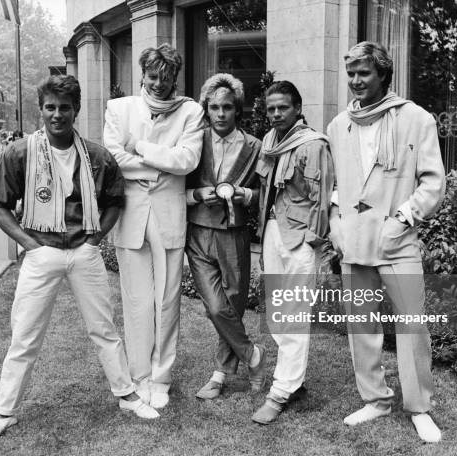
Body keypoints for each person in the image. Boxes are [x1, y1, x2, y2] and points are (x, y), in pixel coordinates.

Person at [0, 75, 159, 442]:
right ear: (41, 109)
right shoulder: (20, 152)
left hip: (83, 252)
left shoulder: (96, 155)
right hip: (41, 252)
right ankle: (4, 412)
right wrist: (31, 245)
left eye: (64, 108)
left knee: (104, 329)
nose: (57, 114)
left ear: (75, 110)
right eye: (50, 107)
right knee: (24, 336)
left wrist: (94, 240)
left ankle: (126, 395)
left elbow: (115, 201)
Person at [326, 41, 446, 443]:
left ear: (382, 74)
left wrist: (402, 218)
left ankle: (419, 407)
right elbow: (338, 184)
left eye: (364, 73)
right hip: (355, 243)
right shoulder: (337, 125)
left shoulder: (416, 118)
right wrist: (335, 222)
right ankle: (375, 399)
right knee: (362, 326)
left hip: (398, 242)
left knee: (412, 326)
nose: (356, 81)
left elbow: (433, 181)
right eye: (352, 74)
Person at [103, 43, 204, 409]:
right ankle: (139, 375)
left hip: (168, 215)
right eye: (152, 76)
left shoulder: (191, 111)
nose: (159, 83)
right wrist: (161, 165)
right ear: (142, 75)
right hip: (131, 214)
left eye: (166, 77)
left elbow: (188, 160)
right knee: (136, 301)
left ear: (175, 77)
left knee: (167, 300)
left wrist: (140, 147)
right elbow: (114, 158)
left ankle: (161, 377)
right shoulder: (119, 108)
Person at [251, 81, 334, 424]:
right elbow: (266, 192)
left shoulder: (313, 145)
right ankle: (293, 380)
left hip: (300, 237)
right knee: (277, 312)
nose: (275, 114)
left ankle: (281, 390)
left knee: (294, 315)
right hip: (272, 232)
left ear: (298, 108)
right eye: (270, 108)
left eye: (282, 107)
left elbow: (323, 196)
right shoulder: (270, 143)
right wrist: (262, 236)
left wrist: (314, 243)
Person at [185, 73, 266, 400]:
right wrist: (196, 194)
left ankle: (219, 374)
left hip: (234, 234)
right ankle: (252, 355)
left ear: (237, 110)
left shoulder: (254, 146)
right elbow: (175, 184)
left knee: (231, 304)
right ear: (207, 109)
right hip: (200, 233)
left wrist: (245, 194)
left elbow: (265, 192)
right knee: (215, 307)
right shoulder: (194, 140)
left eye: (227, 107)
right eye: (214, 107)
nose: (220, 113)